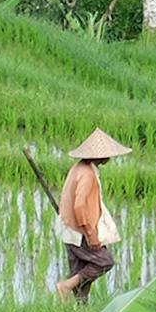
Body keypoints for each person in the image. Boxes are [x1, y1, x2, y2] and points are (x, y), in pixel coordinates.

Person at [55, 127, 129, 302]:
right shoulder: (87, 174)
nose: (110, 158)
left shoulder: (79, 167)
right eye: (108, 154)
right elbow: (80, 207)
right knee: (104, 261)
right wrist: (91, 235)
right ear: (100, 156)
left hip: (69, 229)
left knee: (80, 275)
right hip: (79, 232)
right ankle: (65, 286)